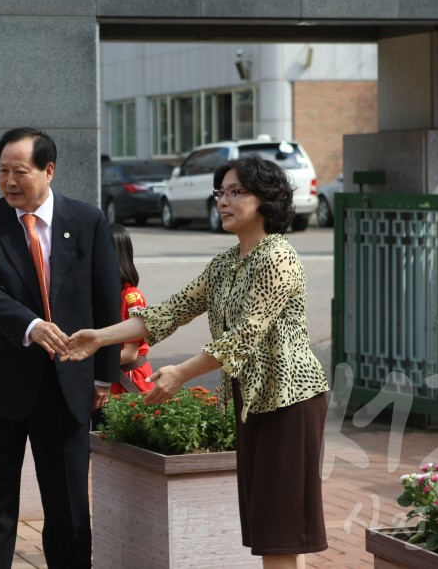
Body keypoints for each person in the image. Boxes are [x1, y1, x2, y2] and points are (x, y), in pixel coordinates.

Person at [64, 155, 331, 569]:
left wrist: (182, 373)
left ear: (266, 199)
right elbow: (168, 313)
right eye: (220, 192)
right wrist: (98, 337)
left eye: (235, 192)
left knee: (280, 526)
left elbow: (243, 336)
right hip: (252, 398)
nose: (223, 201)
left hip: (289, 399)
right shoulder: (226, 263)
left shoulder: (278, 256)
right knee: (265, 523)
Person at [0, 127, 120, 569]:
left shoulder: (86, 220)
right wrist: (30, 325)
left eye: (21, 172)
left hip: (66, 386)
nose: (10, 181)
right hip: (1, 388)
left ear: (48, 170)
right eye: (2, 171)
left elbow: (107, 297)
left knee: (68, 509)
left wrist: (105, 375)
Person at [108, 223, 154, 396]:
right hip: (112, 377)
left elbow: (130, 353)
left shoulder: (131, 296)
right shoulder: (108, 293)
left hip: (130, 380)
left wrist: (88, 363)